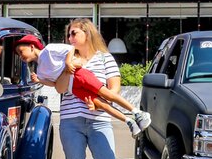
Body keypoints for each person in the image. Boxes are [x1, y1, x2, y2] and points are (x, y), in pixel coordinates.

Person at [50, 19, 131, 159]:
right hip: (70, 122)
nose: (69, 38)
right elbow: (59, 88)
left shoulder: (105, 58)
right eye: (68, 34)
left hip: (99, 121)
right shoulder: (67, 59)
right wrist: (67, 69)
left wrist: (99, 101)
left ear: (87, 33)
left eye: (73, 33)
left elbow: (114, 88)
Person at [14, 34, 151, 137]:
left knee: (106, 93)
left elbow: (71, 48)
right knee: (101, 103)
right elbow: (55, 84)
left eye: (21, 52)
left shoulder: (49, 49)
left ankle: (137, 112)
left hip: (79, 74)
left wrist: (68, 63)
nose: (21, 56)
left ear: (32, 47)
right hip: (72, 88)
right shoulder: (40, 70)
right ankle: (129, 121)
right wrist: (40, 80)